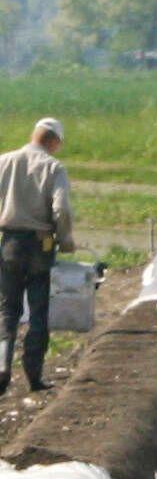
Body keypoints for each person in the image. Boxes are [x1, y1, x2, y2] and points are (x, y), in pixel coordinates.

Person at [0, 117, 76, 397]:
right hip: (40, 246)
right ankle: (33, 376)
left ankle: (1, 366)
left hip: (9, 243)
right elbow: (62, 210)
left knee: (7, 310)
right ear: (53, 141)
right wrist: (65, 240)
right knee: (38, 311)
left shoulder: (5, 161)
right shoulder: (54, 167)